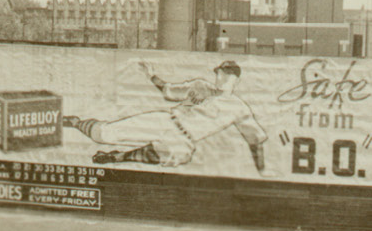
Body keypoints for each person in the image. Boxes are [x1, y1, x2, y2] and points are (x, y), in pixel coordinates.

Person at [62, 60, 276, 177]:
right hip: (166, 121)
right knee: (103, 134)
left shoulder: (239, 107)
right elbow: (168, 90)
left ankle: (119, 157)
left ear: (233, 78)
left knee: (181, 156)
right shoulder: (201, 85)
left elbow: (255, 141)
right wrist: (151, 75)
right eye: (219, 72)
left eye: (223, 73)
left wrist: (262, 170)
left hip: (183, 139)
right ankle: (75, 122)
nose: (219, 76)